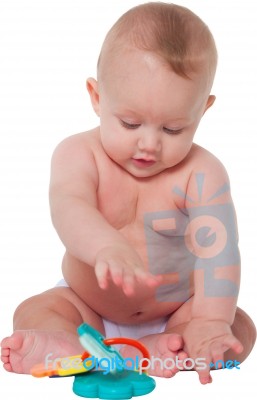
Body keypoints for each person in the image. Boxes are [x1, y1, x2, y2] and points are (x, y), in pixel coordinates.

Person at [1, 2, 256, 384]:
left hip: (177, 310)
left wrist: (209, 319)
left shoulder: (202, 172)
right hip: (88, 307)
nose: (149, 144)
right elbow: (69, 206)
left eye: (173, 130)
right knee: (37, 308)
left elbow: (218, 250)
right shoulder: (79, 154)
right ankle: (67, 342)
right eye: (130, 123)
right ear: (97, 97)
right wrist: (106, 246)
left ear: (202, 110)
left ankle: (164, 345)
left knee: (239, 329)